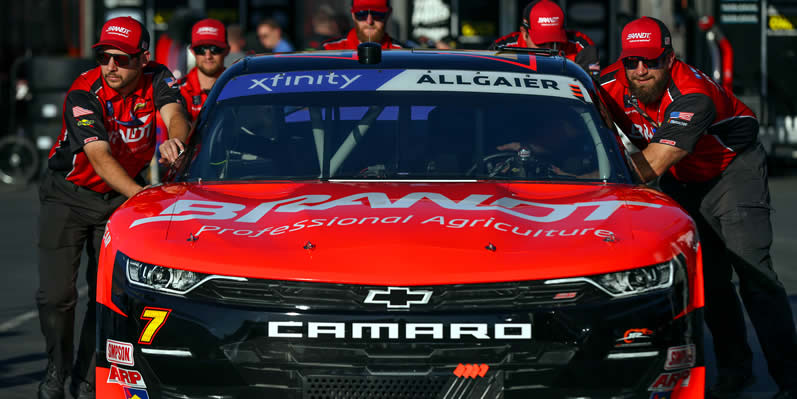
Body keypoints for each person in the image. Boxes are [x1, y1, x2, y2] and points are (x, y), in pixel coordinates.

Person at [598, 16, 797, 399]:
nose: (641, 70)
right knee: (710, 281)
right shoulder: (606, 83)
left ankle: (790, 379)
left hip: (731, 170)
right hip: (683, 173)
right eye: (632, 61)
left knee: (754, 276)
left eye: (651, 61)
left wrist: (590, 175)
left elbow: (653, 164)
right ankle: (735, 370)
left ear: (669, 58)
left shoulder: (693, 93)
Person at [36, 16, 190, 399]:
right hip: (69, 193)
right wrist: (141, 196)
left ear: (143, 58)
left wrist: (174, 141)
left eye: (121, 59)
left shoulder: (159, 78)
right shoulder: (83, 91)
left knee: (104, 293)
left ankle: (87, 378)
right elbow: (99, 157)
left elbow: (176, 117)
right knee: (57, 296)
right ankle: (56, 369)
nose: (111, 67)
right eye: (105, 57)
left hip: (118, 200)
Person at [489, 0, 600, 78]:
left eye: (555, 43)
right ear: (524, 33)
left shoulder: (581, 47)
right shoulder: (501, 49)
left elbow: (591, 93)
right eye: (541, 43)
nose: (548, 50)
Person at [180, 18, 228, 121]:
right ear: (192, 52)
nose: (208, 56)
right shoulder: (178, 91)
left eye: (215, 49)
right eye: (200, 50)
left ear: (227, 51)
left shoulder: (240, 88)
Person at [320, 0, 405, 50]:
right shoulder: (328, 50)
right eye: (361, 14)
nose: (369, 21)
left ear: (388, 14)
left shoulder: (404, 54)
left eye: (377, 13)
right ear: (353, 15)